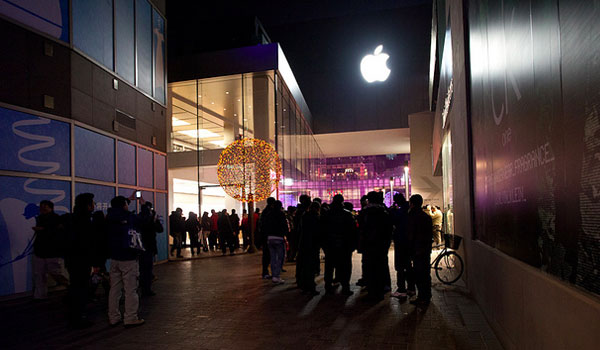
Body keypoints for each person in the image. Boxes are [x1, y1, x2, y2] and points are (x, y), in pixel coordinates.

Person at [63, 193, 100, 328]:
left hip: (72, 260)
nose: (94, 206)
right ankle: (78, 317)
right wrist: (94, 263)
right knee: (81, 288)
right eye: (92, 203)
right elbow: (89, 244)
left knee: (75, 286)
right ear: (88, 205)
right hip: (82, 260)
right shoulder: (85, 221)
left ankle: (74, 314)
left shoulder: (71, 219)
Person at [107, 196, 145, 327]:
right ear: (124, 205)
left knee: (114, 289)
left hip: (114, 257)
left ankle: (113, 317)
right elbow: (143, 221)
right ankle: (130, 317)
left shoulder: (109, 217)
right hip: (128, 256)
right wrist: (144, 206)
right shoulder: (129, 217)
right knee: (130, 289)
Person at [32, 200, 68, 300]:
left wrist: (43, 230)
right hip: (43, 250)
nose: (42, 209)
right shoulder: (41, 218)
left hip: (51, 251)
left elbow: (58, 233)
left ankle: (69, 286)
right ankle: (40, 296)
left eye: (45, 207)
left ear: (50, 208)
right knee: (40, 274)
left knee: (54, 273)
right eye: (41, 207)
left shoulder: (56, 219)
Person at [322, 194, 358, 295]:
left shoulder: (327, 214)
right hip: (344, 244)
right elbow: (352, 231)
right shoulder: (347, 214)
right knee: (345, 266)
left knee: (329, 266)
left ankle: (328, 286)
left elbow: (322, 230)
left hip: (330, 244)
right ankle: (345, 286)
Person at [360, 191, 393, 301]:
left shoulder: (364, 212)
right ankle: (382, 288)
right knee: (381, 265)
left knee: (369, 267)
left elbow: (361, 230)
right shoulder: (384, 212)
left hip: (368, 245)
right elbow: (389, 229)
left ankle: (371, 290)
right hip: (381, 245)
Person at [407, 194, 433, 306]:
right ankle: (426, 296)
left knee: (419, 274)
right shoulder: (426, 217)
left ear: (412, 203)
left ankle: (422, 297)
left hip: (417, 250)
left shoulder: (412, 216)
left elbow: (411, 234)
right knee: (425, 274)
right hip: (425, 250)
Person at [389, 193, 415, 299]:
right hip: (409, 242)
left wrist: (392, 210)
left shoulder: (401, 211)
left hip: (401, 241)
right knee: (408, 266)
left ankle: (401, 289)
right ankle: (411, 288)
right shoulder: (409, 210)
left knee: (400, 266)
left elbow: (394, 220)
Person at [296, 201, 321, 295]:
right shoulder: (316, 217)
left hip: (304, 243)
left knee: (304, 265)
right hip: (312, 245)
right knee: (310, 267)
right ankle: (310, 287)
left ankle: (304, 285)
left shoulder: (304, 216)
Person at [138, 202, 163, 297]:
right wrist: (154, 219)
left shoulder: (138, 218)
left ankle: (141, 286)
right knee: (147, 269)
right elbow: (160, 229)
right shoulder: (151, 219)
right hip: (149, 246)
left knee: (141, 268)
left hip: (139, 247)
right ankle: (146, 289)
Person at [263, 200, 289, 283]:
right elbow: (284, 226)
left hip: (270, 237)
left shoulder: (268, 214)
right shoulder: (281, 214)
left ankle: (274, 274)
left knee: (273, 257)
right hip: (279, 237)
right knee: (280, 257)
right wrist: (285, 234)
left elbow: (265, 225)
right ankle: (276, 275)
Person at [258, 201, 274, 278]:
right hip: (267, 236)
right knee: (267, 255)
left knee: (267, 254)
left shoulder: (265, 213)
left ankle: (266, 271)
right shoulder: (268, 213)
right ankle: (265, 272)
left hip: (265, 236)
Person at [356, 195, 368, 287]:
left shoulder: (364, 212)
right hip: (370, 240)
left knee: (366, 261)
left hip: (366, 240)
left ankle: (366, 278)